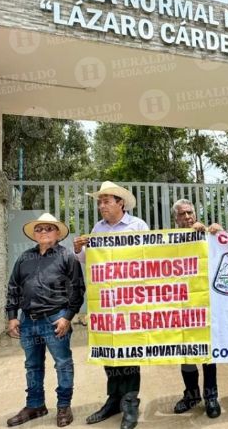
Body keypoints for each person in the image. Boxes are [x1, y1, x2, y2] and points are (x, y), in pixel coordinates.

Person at [75, 181, 148, 429]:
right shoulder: (98, 228)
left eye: (106, 201)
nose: (101, 206)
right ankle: (113, 399)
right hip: (106, 302)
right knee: (108, 350)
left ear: (121, 203)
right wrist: (79, 249)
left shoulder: (138, 226)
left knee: (129, 351)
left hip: (131, 301)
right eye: (99, 202)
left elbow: (148, 259)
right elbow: (88, 259)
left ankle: (130, 403)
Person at [6, 214, 85, 428]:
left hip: (55, 319)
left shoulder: (67, 257)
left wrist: (67, 317)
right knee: (32, 365)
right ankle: (35, 405)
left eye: (48, 229)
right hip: (28, 321)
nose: (43, 232)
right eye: (39, 229)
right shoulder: (24, 258)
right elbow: (13, 287)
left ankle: (63, 406)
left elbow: (78, 290)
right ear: (34, 234)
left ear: (57, 233)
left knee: (62, 364)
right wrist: (12, 316)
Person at [170, 199, 222, 418]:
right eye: (182, 214)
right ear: (176, 219)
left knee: (207, 353)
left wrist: (218, 232)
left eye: (190, 212)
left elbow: (227, 250)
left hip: (204, 303)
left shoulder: (207, 235)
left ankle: (211, 397)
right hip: (180, 305)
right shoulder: (167, 240)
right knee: (187, 354)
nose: (187, 217)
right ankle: (191, 394)